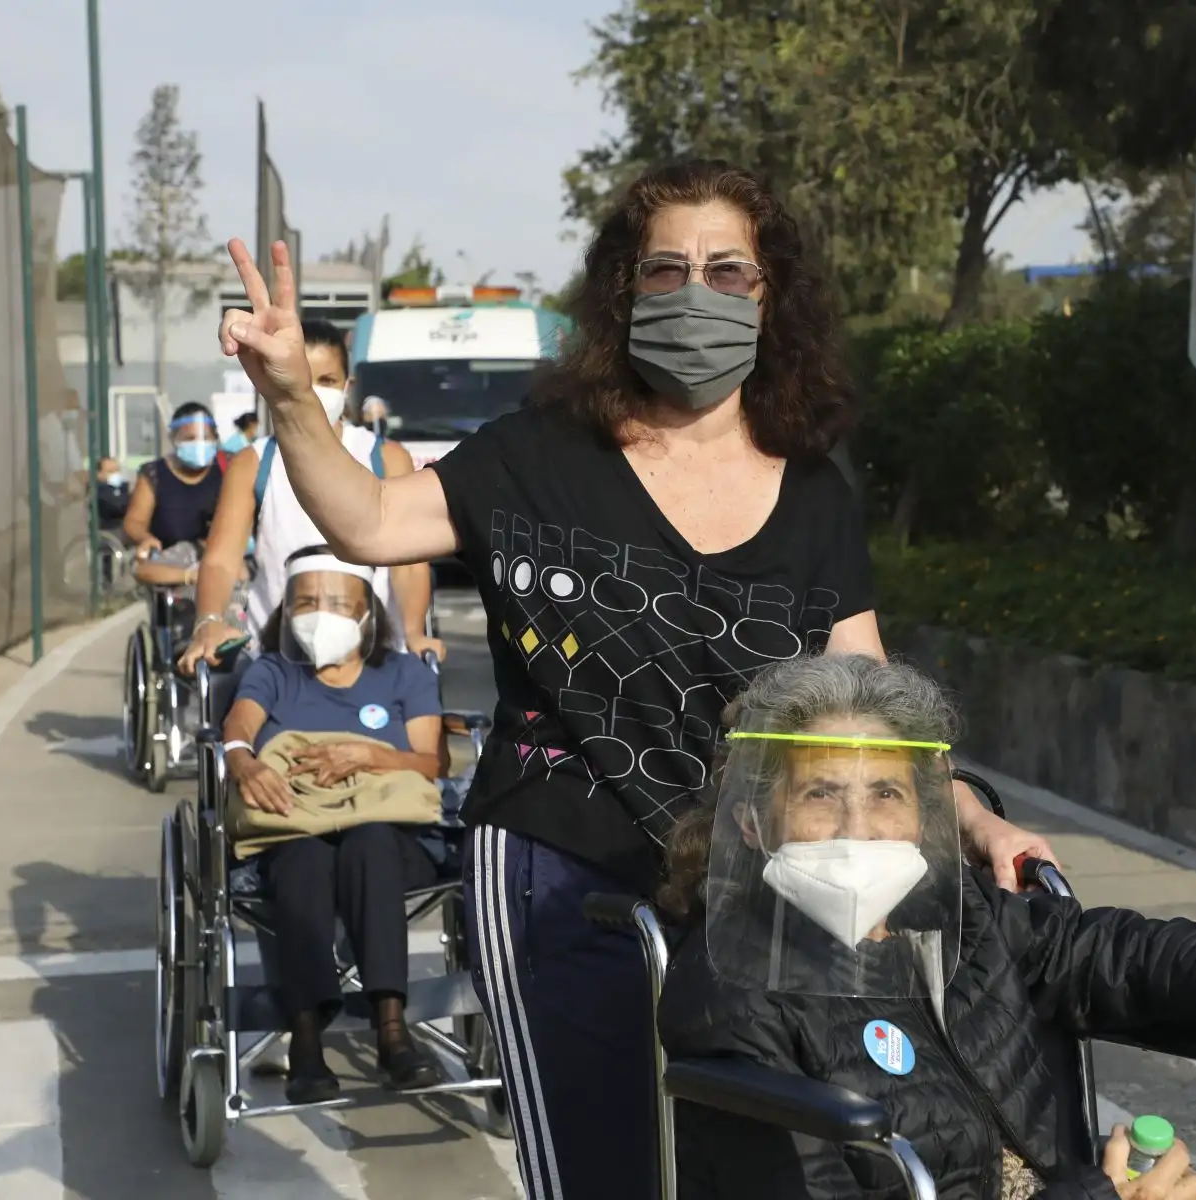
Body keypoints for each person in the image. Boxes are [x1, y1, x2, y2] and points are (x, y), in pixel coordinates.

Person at [215, 158, 1056, 1198]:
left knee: (757, 1168)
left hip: (750, 890)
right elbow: (371, 521)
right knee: (605, 1169)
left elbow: (868, 707)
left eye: (727, 270)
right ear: (625, 292)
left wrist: (973, 820)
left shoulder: (815, 491)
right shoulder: (540, 455)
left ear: (770, 296)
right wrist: (294, 397)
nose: (696, 292)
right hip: (558, 873)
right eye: (666, 269)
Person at [658, 654, 1196, 1200]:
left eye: (886, 794)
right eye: (820, 794)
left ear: (925, 815)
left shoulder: (962, 917)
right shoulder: (731, 999)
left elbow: (1112, 951)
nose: (859, 829)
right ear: (751, 821)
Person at [222, 545, 451, 1105]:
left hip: (389, 833)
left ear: (368, 614)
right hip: (298, 826)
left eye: (336, 603)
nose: (319, 614)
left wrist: (370, 757)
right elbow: (237, 728)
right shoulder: (273, 671)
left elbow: (434, 762)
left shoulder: (402, 674)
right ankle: (305, 1041)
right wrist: (243, 761)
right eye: (305, 602)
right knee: (302, 858)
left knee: (368, 844)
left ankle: (391, 1030)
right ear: (285, 611)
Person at [178, 320, 440, 675]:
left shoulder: (386, 457)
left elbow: (408, 563)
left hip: (372, 656)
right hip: (278, 656)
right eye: (303, 378)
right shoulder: (254, 462)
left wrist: (413, 632)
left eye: (327, 380)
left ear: (347, 386)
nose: (314, 392)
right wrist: (207, 621)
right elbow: (222, 559)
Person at [123, 401, 225, 589]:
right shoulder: (155, 474)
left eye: (205, 437)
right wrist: (144, 538)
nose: (199, 444)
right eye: (190, 438)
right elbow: (134, 522)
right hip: (168, 568)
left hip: (215, 561)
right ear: (174, 439)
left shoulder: (227, 472)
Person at [94, 457, 131, 531]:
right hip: (109, 531)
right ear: (99, 474)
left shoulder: (122, 489)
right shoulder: (98, 492)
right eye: (110, 471)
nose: (115, 474)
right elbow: (117, 507)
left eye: (117, 470)